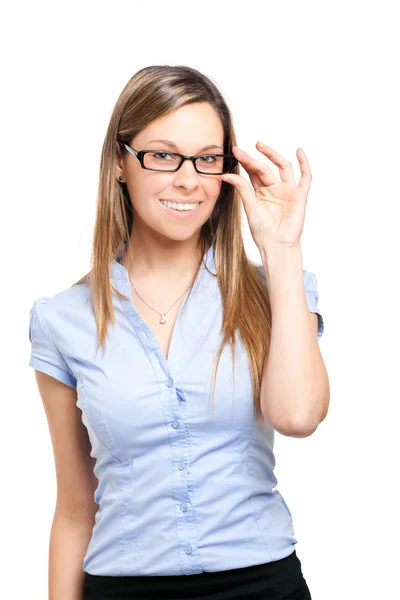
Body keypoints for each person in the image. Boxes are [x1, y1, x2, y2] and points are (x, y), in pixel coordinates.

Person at [28, 65, 328, 600]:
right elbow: (75, 511)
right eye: (163, 155)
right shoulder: (63, 320)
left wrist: (281, 249)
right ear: (121, 163)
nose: (188, 179)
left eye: (207, 159)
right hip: (122, 589)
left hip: (263, 586)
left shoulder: (278, 289)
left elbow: (298, 415)